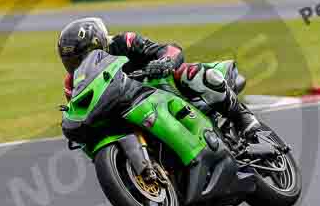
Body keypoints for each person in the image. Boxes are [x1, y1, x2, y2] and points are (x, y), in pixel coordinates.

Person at [57, 17, 261, 137]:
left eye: (83, 56)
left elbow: (170, 49)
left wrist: (164, 62)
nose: (79, 64)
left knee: (190, 73)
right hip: (131, 118)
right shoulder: (73, 84)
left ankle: (241, 116)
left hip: (162, 88)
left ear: (98, 44)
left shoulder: (124, 42)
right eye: (72, 60)